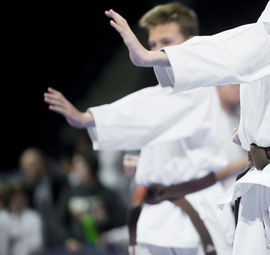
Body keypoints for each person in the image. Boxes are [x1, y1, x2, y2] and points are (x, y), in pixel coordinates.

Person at [102, 0, 270, 254]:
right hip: (265, 177)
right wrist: (250, 133)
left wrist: (155, 57)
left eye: (164, 42)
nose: (158, 46)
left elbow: (243, 51)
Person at [45, 3, 241, 254]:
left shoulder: (200, 89)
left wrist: (89, 119)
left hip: (195, 216)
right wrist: (145, 165)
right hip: (156, 215)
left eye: (166, 41)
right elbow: (164, 127)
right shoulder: (166, 97)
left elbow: (153, 110)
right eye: (152, 44)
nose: (157, 50)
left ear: (190, 43)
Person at [57, 150, 127, 253]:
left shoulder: (107, 193)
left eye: (82, 167)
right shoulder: (69, 193)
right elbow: (60, 220)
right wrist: (67, 239)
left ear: (91, 167)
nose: (78, 171)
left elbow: (122, 219)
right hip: (78, 247)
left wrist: (106, 219)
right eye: (76, 168)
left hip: (103, 246)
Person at [19, 147, 67, 247]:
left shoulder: (59, 182)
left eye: (30, 166)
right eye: (24, 167)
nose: (27, 170)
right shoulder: (25, 190)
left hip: (63, 239)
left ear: (42, 164)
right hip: (39, 242)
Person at [8, 185, 43, 255]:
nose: (17, 201)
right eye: (15, 198)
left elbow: (37, 243)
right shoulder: (5, 218)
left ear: (25, 199)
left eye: (20, 198)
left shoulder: (33, 217)